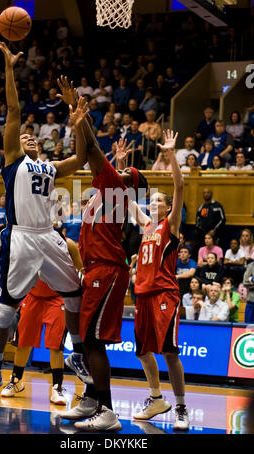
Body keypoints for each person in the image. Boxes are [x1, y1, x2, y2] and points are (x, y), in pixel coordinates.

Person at [0, 42, 91, 406]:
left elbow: (80, 157)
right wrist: (10, 67)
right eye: (23, 135)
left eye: (32, 136)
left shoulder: (51, 166)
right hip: (23, 237)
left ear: (41, 146)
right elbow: (13, 109)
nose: (27, 136)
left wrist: (78, 122)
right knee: (7, 307)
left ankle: (76, 353)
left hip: (50, 236)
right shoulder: (14, 162)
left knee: (75, 292)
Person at [58, 81, 148, 432]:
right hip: (97, 269)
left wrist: (80, 116)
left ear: (130, 183)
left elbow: (93, 149)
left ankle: (107, 411)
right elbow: (90, 154)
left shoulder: (114, 186)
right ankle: (92, 400)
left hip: (108, 271)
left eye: (129, 173)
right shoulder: (105, 187)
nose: (122, 169)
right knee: (88, 337)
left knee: (93, 341)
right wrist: (77, 118)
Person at [132, 129, 189, 431]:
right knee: (142, 351)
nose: (153, 206)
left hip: (165, 294)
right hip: (142, 295)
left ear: (167, 208)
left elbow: (179, 186)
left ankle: (180, 407)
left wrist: (170, 155)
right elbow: (129, 201)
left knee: (169, 351)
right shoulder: (145, 226)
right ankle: (156, 397)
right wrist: (120, 170)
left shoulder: (171, 225)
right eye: (150, 202)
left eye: (158, 202)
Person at [1, 237, 83, 405]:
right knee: (23, 342)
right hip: (33, 295)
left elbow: (81, 269)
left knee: (56, 345)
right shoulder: (30, 239)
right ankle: (16, 381)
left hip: (58, 297)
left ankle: (57, 387)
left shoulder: (68, 244)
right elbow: (19, 269)